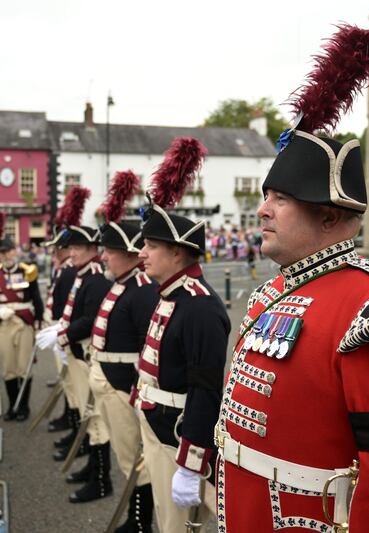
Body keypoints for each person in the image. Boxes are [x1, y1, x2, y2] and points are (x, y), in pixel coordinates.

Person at [215, 25, 369, 533]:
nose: (262, 211)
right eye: (266, 197)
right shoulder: (276, 290)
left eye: (280, 199)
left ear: (327, 216)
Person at [135, 138, 231, 532]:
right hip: (157, 425)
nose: (141, 252)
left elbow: (206, 390)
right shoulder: (172, 293)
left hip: (178, 437)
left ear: (178, 253)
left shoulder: (201, 306)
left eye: (151, 246)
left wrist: (192, 465)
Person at [76, 170, 159, 525]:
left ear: (129, 254)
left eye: (110, 250)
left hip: (124, 386)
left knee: (135, 461)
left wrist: (135, 391)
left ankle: (139, 523)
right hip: (109, 379)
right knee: (126, 458)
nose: (104, 256)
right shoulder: (123, 283)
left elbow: (147, 348)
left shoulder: (141, 290)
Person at [35, 186, 112, 500]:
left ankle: (101, 479)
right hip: (78, 352)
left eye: (78, 247)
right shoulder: (82, 273)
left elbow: (90, 319)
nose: (71, 252)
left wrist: (62, 335)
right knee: (87, 415)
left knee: (95, 421)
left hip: (87, 354)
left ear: (92, 248)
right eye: (71, 246)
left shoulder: (93, 277)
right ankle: (93, 471)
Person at [0, 212, 44, 421]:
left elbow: (37, 300)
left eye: (8, 251)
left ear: (15, 251)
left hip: (24, 323)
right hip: (4, 323)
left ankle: (24, 407)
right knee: (8, 368)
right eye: (2, 252)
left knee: (24, 368)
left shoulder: (28, 271)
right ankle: (12, 406)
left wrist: (38, 323)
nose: (6, 255)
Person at [42, 226, 78, 434]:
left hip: (62, 328)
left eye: (57, 249)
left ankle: (71, 422)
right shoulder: (63, 269)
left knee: (71, 382)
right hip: (57, 327)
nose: (54, 253)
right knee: (66, 380)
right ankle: (68, 418)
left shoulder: (69, 271)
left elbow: (65, 305)